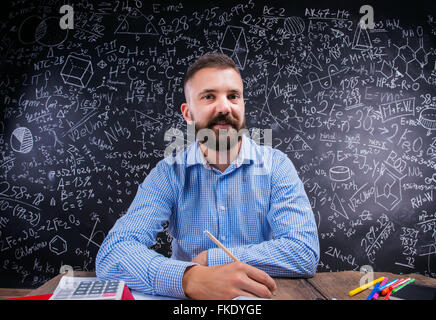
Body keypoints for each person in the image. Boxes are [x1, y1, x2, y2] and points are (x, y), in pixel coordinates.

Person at [96, 52, 320, 299]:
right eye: (209, 97)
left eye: (233, 96)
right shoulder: (168, 173)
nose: (224, 107)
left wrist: (212, 259)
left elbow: (303, 252)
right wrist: (189, 277)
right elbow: (113, 253)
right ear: (188, 112)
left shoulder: (276, 166)